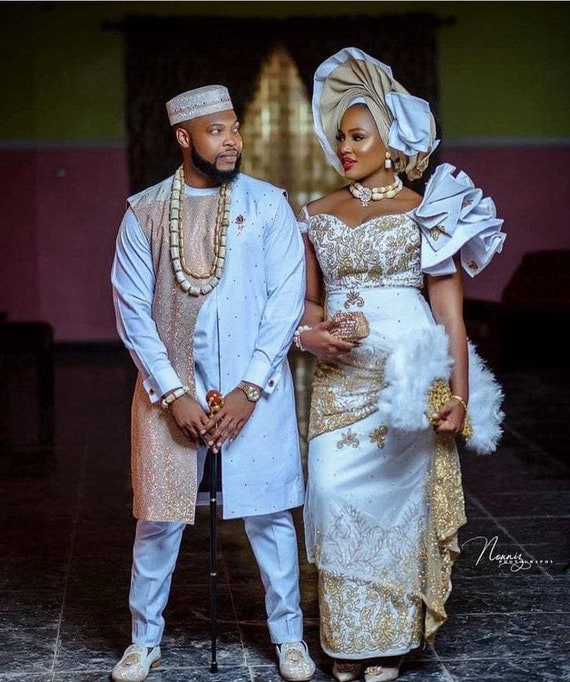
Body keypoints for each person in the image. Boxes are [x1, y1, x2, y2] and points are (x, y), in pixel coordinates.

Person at [295, 48, 505, 682]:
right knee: (330, 494)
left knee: (398, 506)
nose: (346, 147)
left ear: (391, 139)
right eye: (341, 137)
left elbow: (451, 318)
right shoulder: (319, 213)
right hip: (339, 382)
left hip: (409, 384)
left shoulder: (429, 209)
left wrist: (461, 398)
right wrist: (313, 335)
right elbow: (306, 300)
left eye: (359, 135)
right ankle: (346, 639)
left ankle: (385, 644)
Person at [110, 84, 315, 682]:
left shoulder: (269, 204)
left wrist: (252, 387)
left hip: (255, 389)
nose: (233, 141)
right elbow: (130, 310)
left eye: (235, 129)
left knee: (270, 515)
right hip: (168, 392)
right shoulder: (144, 211)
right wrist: (172, 394)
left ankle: (289, 638)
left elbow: (285, 302)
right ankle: (144, 640)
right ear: (184, 138)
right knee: (160, 518)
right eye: (217, 131)